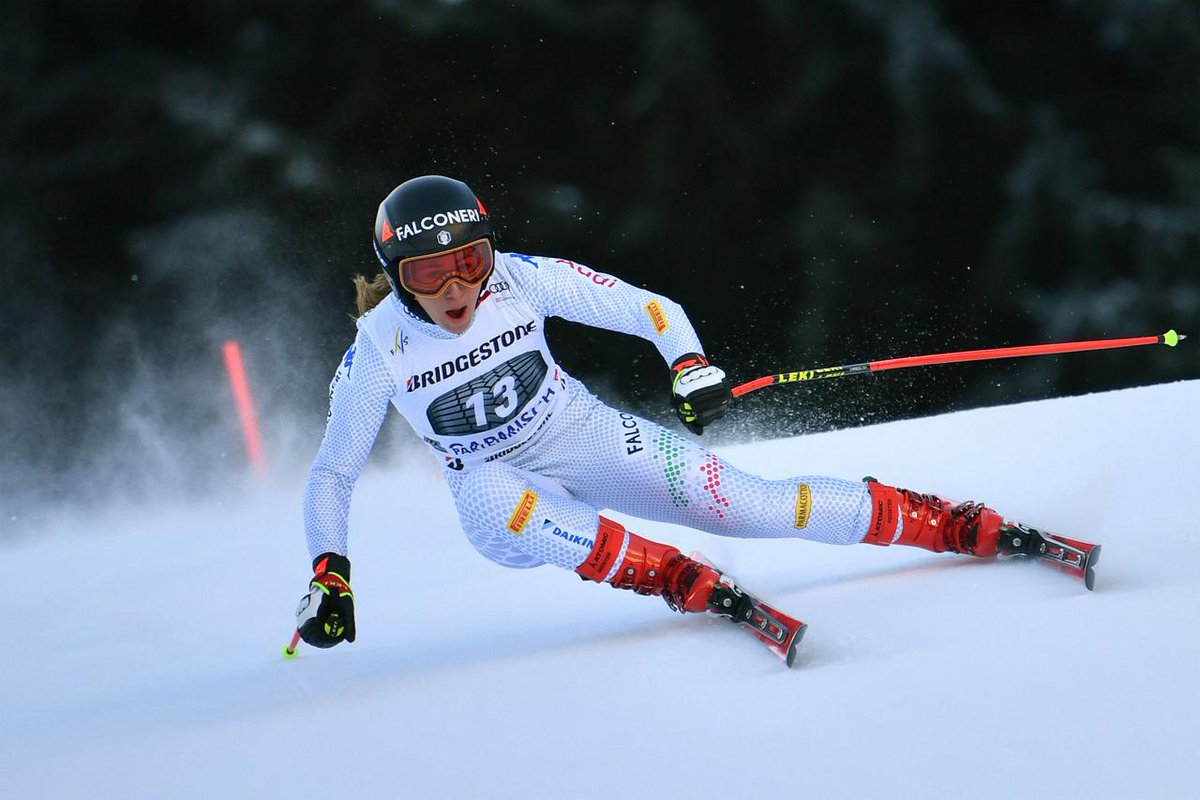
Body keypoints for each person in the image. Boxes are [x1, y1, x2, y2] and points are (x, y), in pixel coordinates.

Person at [294, 174, 1056, 653]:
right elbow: (332, 473)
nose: (458, 287)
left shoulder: (521, 282)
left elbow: (650, 308)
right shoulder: (377, 352)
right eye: (431, 271)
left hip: (584, 435)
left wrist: (690, 368)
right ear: (397, 278)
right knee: (495, 493)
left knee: (748, 504)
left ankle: (947, 523)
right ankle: (674, 578)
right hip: (500, 495)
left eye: (471, 261)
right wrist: (332, 576)